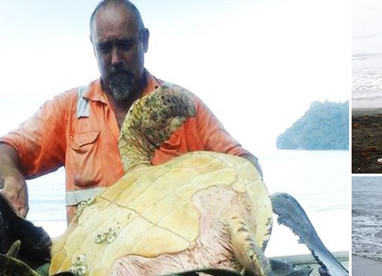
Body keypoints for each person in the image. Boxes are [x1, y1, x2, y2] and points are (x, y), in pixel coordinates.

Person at [0, 0, 260, 221]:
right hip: (90, 271)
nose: (115, 59)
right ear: (93, 46)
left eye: (125, 45)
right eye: (105, 48)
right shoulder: (69, 110)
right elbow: (8, 148)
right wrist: (11, 175)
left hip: (169, 268)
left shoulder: (180, 106)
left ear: (144, 41)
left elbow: (244, 165)